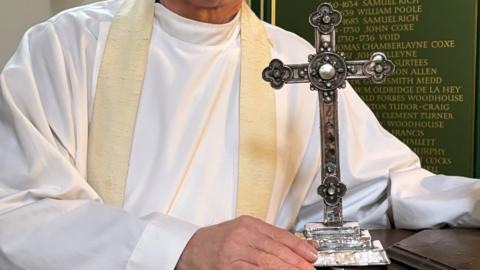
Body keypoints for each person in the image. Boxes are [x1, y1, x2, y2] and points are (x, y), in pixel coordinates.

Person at [0, 0, 479, 269]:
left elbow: (379, 186)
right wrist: (178, 248)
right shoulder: (66, 45)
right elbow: (16, 209)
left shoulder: (292, 60)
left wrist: (473, 200)